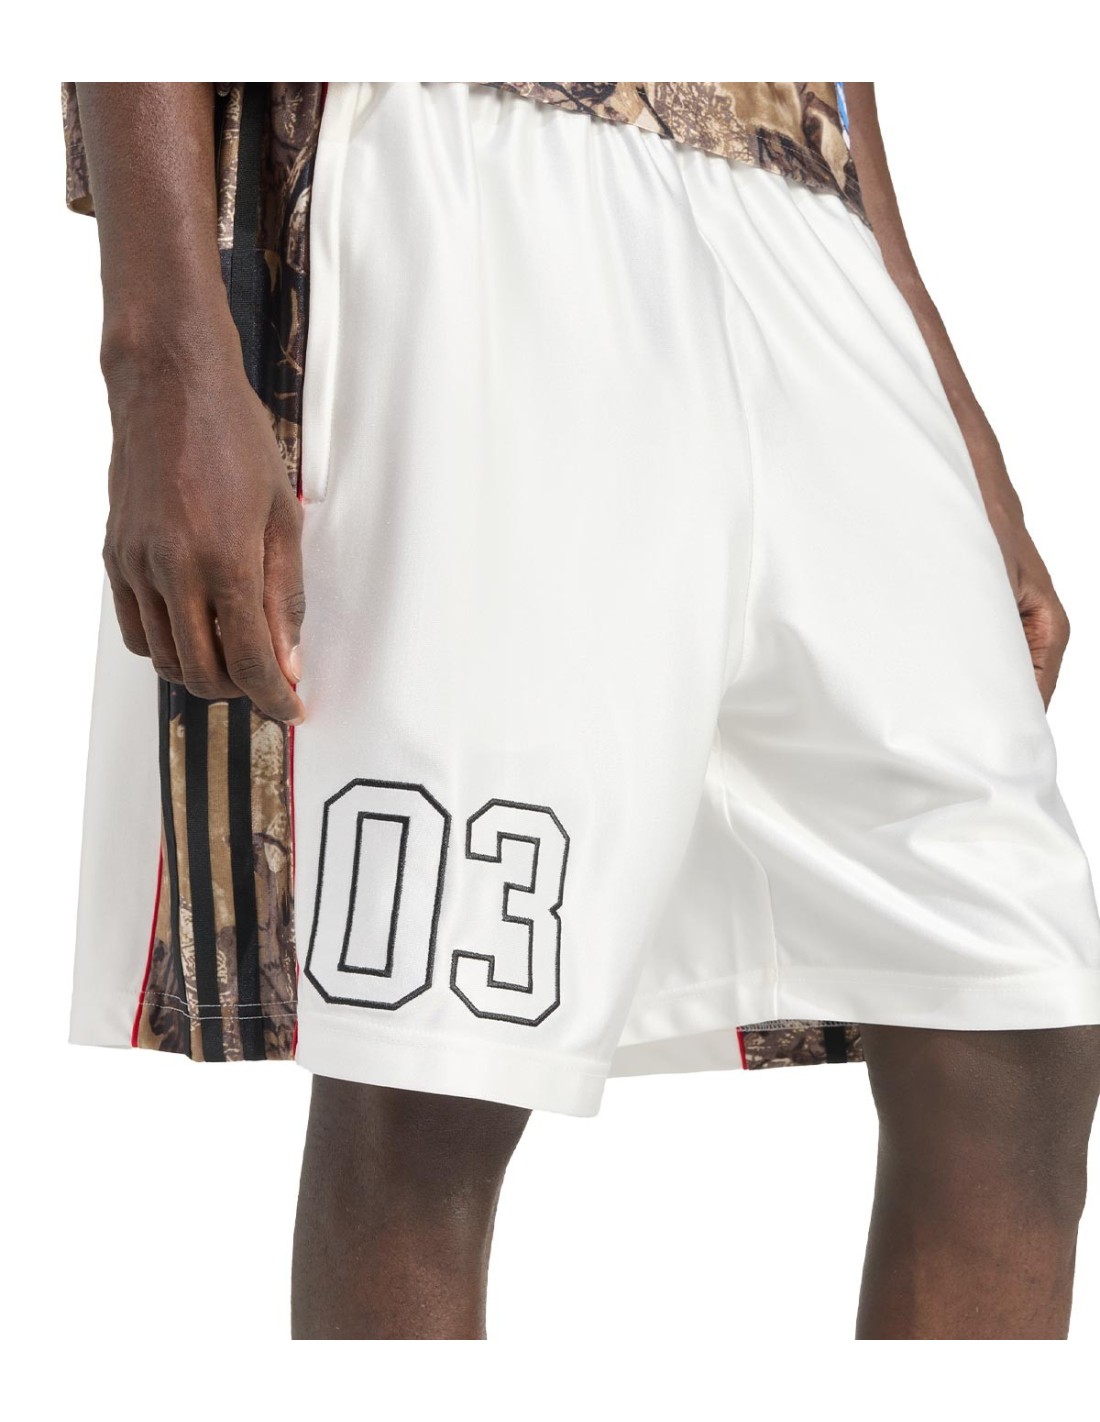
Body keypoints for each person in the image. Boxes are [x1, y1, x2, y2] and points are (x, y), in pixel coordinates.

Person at [63, 81, 1100, 1340]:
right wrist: (161, 357)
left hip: (795, 192)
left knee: (1015, 1017)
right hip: (461, 151)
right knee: (440, 1061)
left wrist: (944, 402)